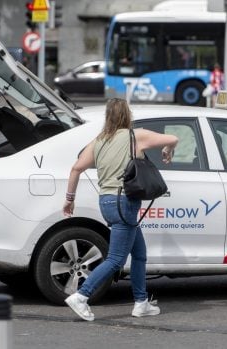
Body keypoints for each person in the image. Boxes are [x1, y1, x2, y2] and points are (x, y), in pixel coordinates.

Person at [62, 98, 178, 321]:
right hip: (125, 202)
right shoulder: (136, 135)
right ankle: (81, 296)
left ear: (108, 116)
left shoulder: (99, 141)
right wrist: (168, 149)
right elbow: (174, 138)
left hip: (106, 201)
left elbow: (76, 168)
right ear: (127, 114)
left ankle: (141, 302)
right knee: (115, 259)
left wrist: (70, 199)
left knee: (139, 254)